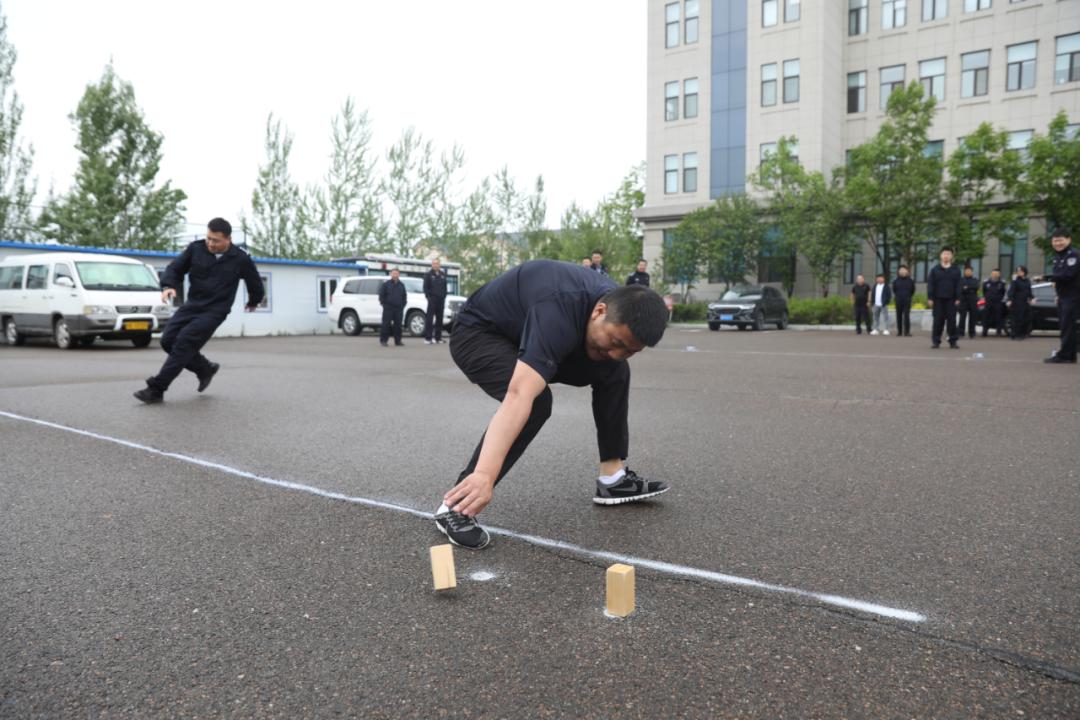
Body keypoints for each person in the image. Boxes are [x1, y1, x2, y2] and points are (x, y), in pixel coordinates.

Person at [433, 260, 671, 549]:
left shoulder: (614, 309)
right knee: (536, 401)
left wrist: (614, 351)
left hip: (530, 332)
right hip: (480, 334)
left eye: (630, 350)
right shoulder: (558, 309)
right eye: (615, 341)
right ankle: (456, 506)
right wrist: (485, 474)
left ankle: (613, 478)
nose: (617, 351)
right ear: (599, 311)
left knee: (615, 370)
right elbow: (519, 395)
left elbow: (613, 352)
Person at [133, 218, 263, 404]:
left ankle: (156, 389)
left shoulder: (240, 258)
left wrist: (254, 301)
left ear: (228, 239)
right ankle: (204, 369)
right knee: (168, 340)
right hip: (192, 305)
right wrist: (168, 285)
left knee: (185, 342)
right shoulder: (196, 249)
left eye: (215, 240)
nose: (210, 243)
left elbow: (255, 282)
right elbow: (175, 268)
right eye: (208, 238)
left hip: (215, 310)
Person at [1037, 227, 1080, 363]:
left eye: (1060, 240)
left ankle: (1065, 355)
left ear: (1068, 240)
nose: (1057, 243)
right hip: (1064, 296)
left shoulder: (1073, 255)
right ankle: (1069, 354)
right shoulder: (1058, 257)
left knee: (1067, 325)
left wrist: (1047, 278)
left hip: (1073, 296)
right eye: (1055, 241)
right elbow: (1059, 279)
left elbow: (1067, 275)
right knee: (1064, 325)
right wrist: (1058, 294)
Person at [927, 246, 962, 349]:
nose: (946, 256)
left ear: (951, 256)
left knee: (952, 321)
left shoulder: (956, 270)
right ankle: (936, 341)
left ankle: (953, 341)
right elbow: (930, 284)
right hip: (938, 300)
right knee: (938, 321)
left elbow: (959, 284)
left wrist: (958, 298)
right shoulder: (935, 270)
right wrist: (930, 298)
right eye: (944, 254)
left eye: (948, 254)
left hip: (951, 300)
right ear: (940, 256)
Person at [378, 269, 407, 347]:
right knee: (386, 325)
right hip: (388, 308)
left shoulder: (401, 285)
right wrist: (384, 304)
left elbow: (404, 296)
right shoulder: (386, 284)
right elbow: (381, 295)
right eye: (394, 273)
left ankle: (398, 341)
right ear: (391, 274)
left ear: (399, 274)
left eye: (397, 273)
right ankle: (384, 340)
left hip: (398, 308)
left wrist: (402, 305)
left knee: (398, 325)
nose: (395, 275)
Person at [422, 258, 448, 345]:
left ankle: (438, 338)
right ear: (432, 265)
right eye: (434, 263)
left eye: (437, 264)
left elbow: (445, 288)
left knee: (439, 319)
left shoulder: (443, 274)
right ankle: (428, 338)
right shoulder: (428, 275)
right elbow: (425, 288)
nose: (435, 265)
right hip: (432, 300)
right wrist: (429, 297)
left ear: (439, 265)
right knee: (429, 319)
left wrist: (444, 296)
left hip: (441, 300)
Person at [1006, 266, 1032, 341]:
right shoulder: (1015, 280)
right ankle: (1014, 334)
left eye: (1020, 271)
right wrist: (1010, 299)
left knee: (1024, 319)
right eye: (1018, 271)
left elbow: (1029, 291)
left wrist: (1031, 297)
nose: (1019, 272)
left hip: (1025, 302)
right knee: (1016, 319)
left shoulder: (1027, 281)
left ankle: (1022, 334)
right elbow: (1011, 291)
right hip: (1016, 302)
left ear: (1024, 272)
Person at [981, 268, 1006, 337]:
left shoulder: (1002, 283)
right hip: (988, 302)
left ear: (999, 274)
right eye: (993, 273)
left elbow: (1003, 292)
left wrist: (999, 298)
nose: (995, 275)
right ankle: (985, 331)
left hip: (998, 302)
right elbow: (984, 291)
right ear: (991, 274)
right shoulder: (986, 282)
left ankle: (998, 331)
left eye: (996, 274)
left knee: (998, 317)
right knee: (986, 317)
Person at [892, 265, 915, 337]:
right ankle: (899, 331)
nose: (902, 271)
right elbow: (894, 290)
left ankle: (907, 332)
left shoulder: (910, 280)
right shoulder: (896, 281)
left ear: (907, 271)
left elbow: (912, 290)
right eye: (901, 270)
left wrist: (908, 296)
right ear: (898, 272)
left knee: (906, 316)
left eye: (904, 270)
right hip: (898, 300)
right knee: (898, 316)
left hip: (907, 300)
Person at [957, 266, 979, 340]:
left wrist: (967, 287)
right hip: (963, 301)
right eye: (966, 271)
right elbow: (960, 288)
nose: (968, 272)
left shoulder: (975, 280)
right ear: (964, 272)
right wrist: (969, 288)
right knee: (962, 317)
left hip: (972, 300)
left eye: (969, 271)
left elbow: (976, 287)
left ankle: (972, 333)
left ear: (972, 272)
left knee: (973, 317)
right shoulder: (961, 280)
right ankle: (960, 332)